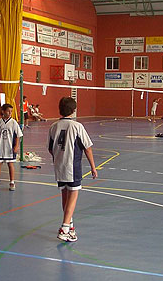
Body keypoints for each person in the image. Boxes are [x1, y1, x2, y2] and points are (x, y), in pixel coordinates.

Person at [48, 97, 97, 242]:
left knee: (65, 196)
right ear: (74, 110)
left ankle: (70, 226)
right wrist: (93, 167)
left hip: (59, 166)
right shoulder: (77, 126)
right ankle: (64, 228)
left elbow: (51, 148)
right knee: (73, 196)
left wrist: (59, 157)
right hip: (72, 166)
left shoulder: (54, 126)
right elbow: (87, 148)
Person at [0, 103, 23, 191]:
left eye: (11, 111)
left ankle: (12, 182)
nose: (10, 113)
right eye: (8, 111)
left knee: (10, 164)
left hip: (10, 147)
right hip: (0, 147)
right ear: (3, 111)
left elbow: (18, 136)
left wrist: (16, 146)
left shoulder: (13, 122)